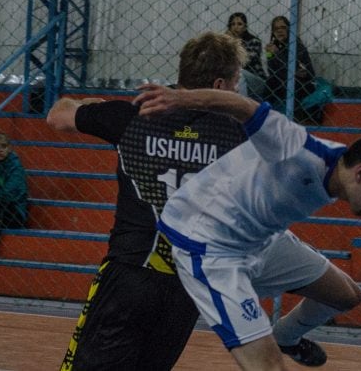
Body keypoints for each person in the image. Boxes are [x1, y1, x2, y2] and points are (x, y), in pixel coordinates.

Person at [134, 85, 361, 371]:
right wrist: (181, 98)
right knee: (268, 367)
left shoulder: (338, 168)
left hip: (259, 238)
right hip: (209, 244)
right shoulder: (296, 148)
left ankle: (285, 337)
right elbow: (245, 107)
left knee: (347, 295)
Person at [46, 32, 250, 370]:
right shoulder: (237, 136)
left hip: (130, 271)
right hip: (189, 282)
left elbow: (57, 116)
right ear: (219, 84)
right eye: (236, 83)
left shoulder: (134, 117)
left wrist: (91, 106)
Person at [264, 16, 318, 122]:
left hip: (303, 84)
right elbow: (272, 71)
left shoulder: (296, 46)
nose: (279, 31)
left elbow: (301, 73)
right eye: (276, 28)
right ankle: (265, 118)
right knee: (270, 82)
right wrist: (271, 55)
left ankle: (296, 120)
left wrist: (277, 55)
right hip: (282, 80)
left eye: (283, 27)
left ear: (289, 29)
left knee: (291, 84)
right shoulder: (272, 48)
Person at [226, 12, 267, 99]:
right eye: (233, 24)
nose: (235, 27)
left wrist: (234, 43)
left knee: (240, 73)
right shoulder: (225, 42)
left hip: (256, 80)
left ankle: (239, 107)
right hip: (234, 79)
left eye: (239, 24)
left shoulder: (254, 41)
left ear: (245, 27)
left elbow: (245, 61)